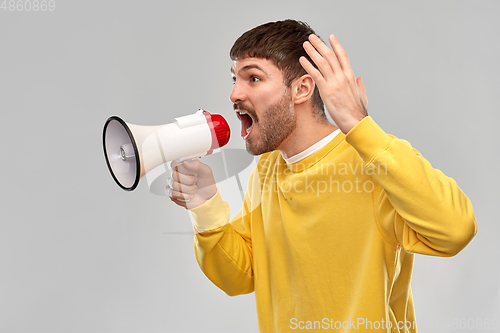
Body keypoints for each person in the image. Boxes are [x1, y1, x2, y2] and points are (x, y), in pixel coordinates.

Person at [166, 20, 477, 332]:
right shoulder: (267, 170)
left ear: (302, 88)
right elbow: (243, 274)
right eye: (235, 79)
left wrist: (359, 125)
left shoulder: (372, 160)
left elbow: (456, 231)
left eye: (253, 77)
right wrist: (204, 204)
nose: (234, 93)